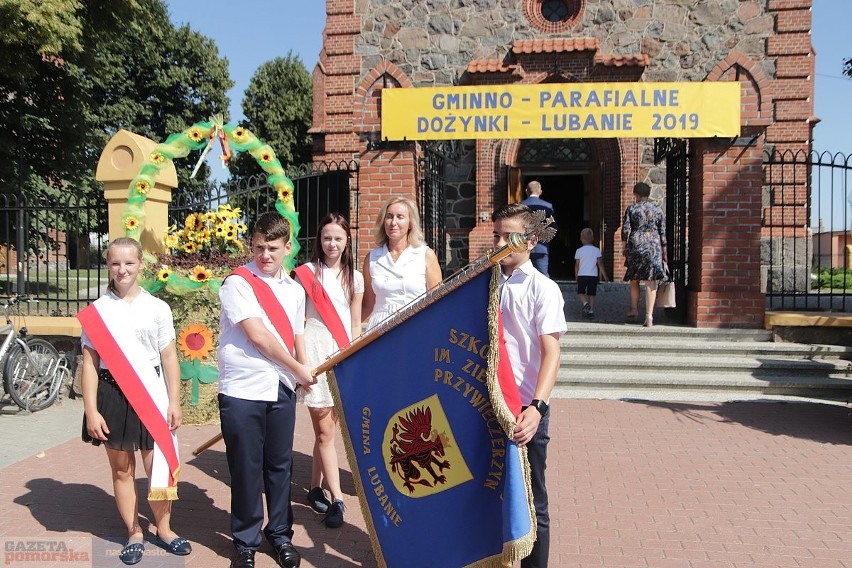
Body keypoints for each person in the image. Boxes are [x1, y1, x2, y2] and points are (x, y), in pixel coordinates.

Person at [79, 237, 190, 566]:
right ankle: (133, 531)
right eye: (115, 263)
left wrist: (175, 401)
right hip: (112, 395)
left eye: (129, 263)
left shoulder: (157, 307)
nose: (122, 269)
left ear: (141, 263)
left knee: (158, 465)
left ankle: (164, 529)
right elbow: (89, 364)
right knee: (122, 470)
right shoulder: (97, 311)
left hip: (152, 394)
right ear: (108, 266)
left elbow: (169, 357)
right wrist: (90, 410)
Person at [217, 212, 315, 568]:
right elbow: (258, 336)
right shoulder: (237, 283)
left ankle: (280, 535)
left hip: (282, 387)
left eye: (272, 248)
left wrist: (304, 373)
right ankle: (246, 540)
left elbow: (297, 334)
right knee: (245, 467)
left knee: (280, 465)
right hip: (243, 388)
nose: (265, 255)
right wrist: (298, 368)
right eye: (258, 247)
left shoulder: (294, 289)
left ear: (287, 247)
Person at [491, 203, 567, 568]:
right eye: (498, 236)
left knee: (533, 499)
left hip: (524, 407)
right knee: (489, 491)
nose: (502, 243)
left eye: (511, 236)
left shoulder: (544, 289)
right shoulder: (486, 283)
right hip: (488, 402)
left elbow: (552, 353)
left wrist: (537, 407)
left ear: (532, 240)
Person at [293, 213, 364, 529]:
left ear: (347, 240)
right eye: (326, 238)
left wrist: (355, 359)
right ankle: (337, 498)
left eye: (337, 238)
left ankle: (313, 489)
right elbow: (297, 323)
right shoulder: (306, 274)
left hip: (342, 355)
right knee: (325, 431)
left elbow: (355, 324)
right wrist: (302, 363)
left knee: (328, 430)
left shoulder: (356, 278)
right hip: (316, 352)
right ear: (318, 241)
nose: (332, 243)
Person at [362, 195, 442, 330]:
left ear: (410, 223)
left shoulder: (425, 255)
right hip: (379, 328)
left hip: (415, 325)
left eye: (400, 217)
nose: (393, 222)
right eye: (389, 216)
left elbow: (438, 301)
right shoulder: (372, 259)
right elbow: (367, 305)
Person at [621, 182, 668, 327]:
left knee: (634, 279)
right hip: (653, 245)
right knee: (651, 281)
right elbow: (663, 233)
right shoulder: (657, 210)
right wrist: (665, 253)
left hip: (637, 244)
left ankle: (634, 310)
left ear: (636, 194)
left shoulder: (632, 209)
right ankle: (649, 316)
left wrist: (625, 248)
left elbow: (625, 230)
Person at [520, 180, 557, 277]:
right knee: (543, 276)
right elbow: (553, 227)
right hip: (541, 246)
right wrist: (545, 239)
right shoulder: (548, 206)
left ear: (526, 191)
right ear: (540, 192)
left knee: (522, 275)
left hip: (523, 247)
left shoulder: (520, 206)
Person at [574, 227, 609, 320]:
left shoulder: (579, 251)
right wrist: (605, 276)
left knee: (581, 292)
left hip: (582, 275)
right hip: (593, 276)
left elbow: (577, 265)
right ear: (593, 238)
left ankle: (585, 303)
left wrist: (576, 275)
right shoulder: (596, 250)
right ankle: (591, 311)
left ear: (581, 239)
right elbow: (600, 264)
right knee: (592, 294)